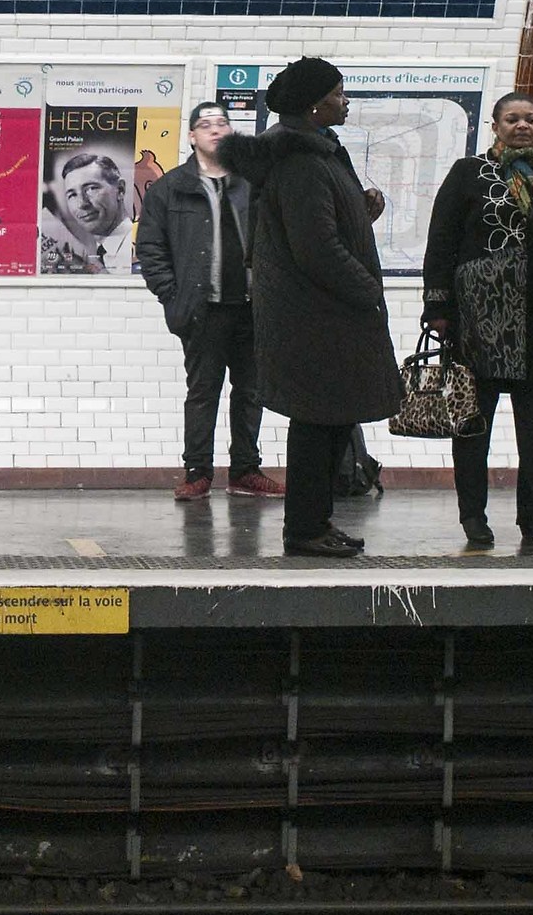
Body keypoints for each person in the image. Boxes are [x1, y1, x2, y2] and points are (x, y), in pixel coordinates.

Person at [219, 58, 403, 558]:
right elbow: (315, 247)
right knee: (317, 426)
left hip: (321, 313)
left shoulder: (317, 154)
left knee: (330, 422)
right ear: (314, 105)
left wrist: (358, 212)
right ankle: (304, 529)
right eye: (340, 94)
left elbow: (316, 225)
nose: (346, 102)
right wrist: (367, 289)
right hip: (318, 315)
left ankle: (316, 522)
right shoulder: (301, 160)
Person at [421, 91, 533, 550]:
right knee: (473, 425)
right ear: (495, 126)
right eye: (511, 119)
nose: (522, 126)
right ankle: (474, 518)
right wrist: (438, 308)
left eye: (530, 119)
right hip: (478, 321)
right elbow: (440, 241)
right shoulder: (469, 174)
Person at [135, 101, 282, 502]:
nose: (216, 130)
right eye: (206, 124)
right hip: (202, 309)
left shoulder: (252, 182)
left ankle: (245, 470)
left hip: (252, 307)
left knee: (251, 391)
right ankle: (198, 471)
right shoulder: (171, 187)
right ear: (192, 136)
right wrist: (172, 293)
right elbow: (150, 248)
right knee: (203, 392)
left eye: (222, 123)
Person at [39, 150, 135, 274]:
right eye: (72, 195)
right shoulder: (96, 253)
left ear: (120, 190)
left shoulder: (139, 248)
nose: (82, 204)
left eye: (91, 188)